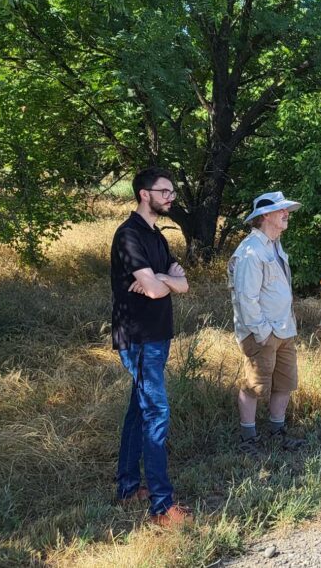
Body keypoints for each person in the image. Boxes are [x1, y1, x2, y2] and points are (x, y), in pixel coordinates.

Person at [109, 167, 190, 527]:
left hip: (158, 336)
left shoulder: (158, 237)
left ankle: (128, 488)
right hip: (139, 339)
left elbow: (183, 284)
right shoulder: (128, 236)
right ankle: (162, 507)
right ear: (145, 194)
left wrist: (160, 278)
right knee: (156, 413)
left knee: (138, 412)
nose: (171, 197)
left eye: (171, 192)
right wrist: (162, 280)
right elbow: (161, 289)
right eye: (164, 191)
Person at [228, 191, 306, 453]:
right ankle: (247, 439)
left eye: (286, 210)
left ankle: (277, 432)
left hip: (284, 329)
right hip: (263, 332)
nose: (286, 214)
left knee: (284, 383)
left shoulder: (274, 244)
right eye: (280, 210)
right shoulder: (251, 251)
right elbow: (246, 298)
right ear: (264, 216)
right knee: (254, 385)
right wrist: (263, 333)